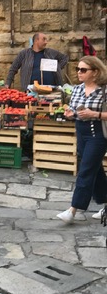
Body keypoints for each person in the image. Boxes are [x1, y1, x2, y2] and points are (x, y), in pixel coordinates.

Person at [57, 56, 107, 223]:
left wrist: (95, 114)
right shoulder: (77, 89)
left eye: (83, 70)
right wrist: (69, 114)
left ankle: (74, 210)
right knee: (95, 170)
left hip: (97, 134)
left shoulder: (104, 91)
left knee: (85, 169)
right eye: (78, 69)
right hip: (81, 132)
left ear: (95, 72)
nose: (79, 72)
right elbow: (72, 109)